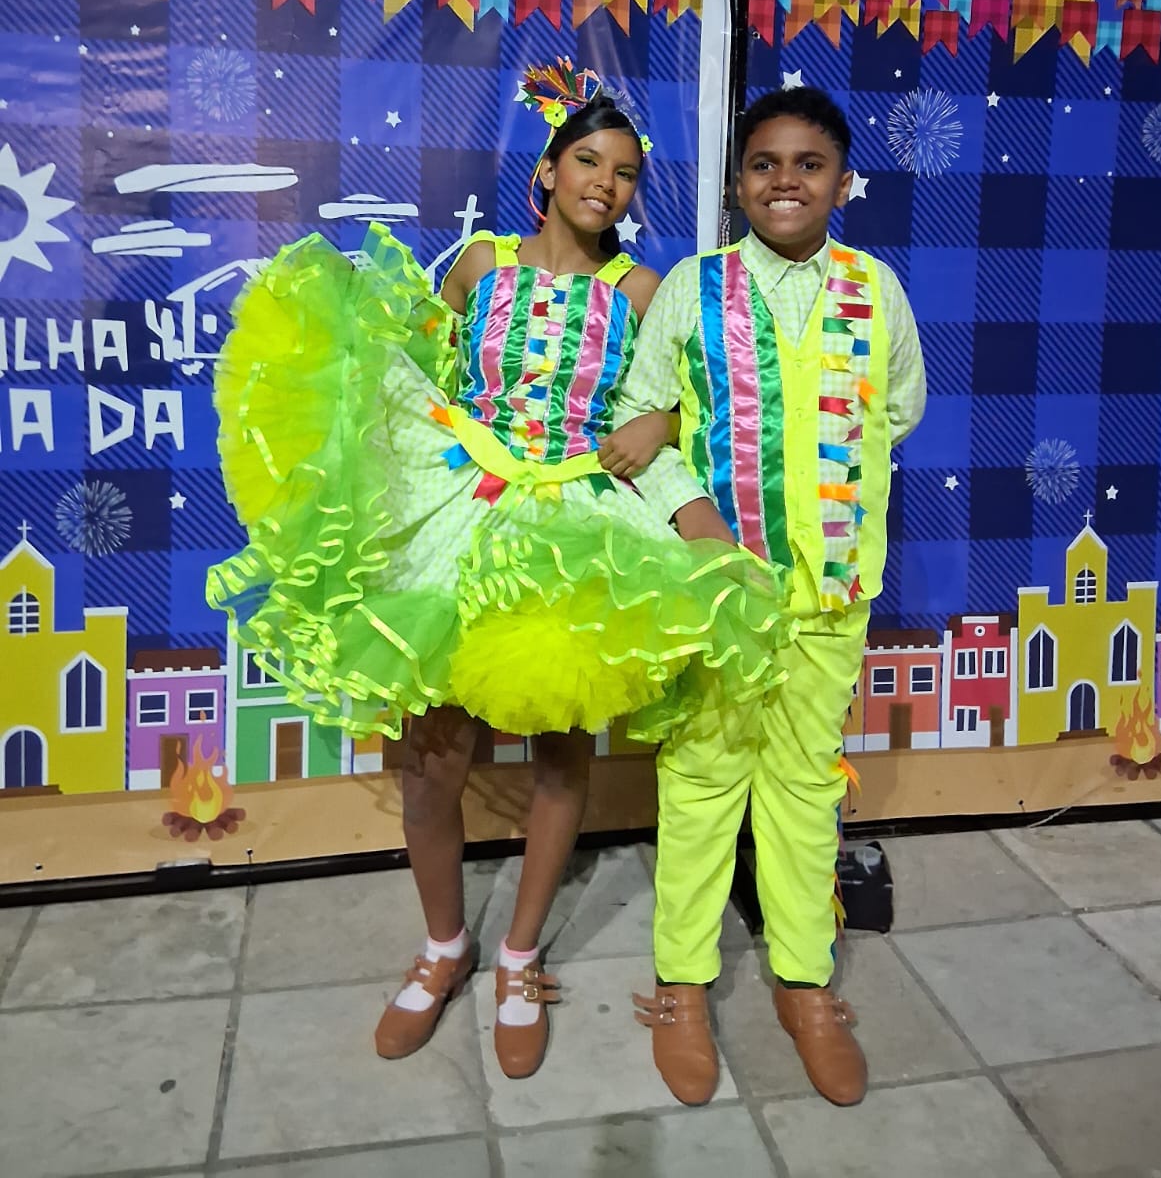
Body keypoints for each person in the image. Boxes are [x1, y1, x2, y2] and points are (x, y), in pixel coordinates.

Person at [207, 61, 791, 1080]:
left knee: (562, 748)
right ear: (549, 171)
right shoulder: (480, 263)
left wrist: (662, 429)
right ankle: (445, 945)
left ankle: (519, 955)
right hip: (458, 509)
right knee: (431, 761)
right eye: (588, 161)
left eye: (624, 172)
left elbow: (672, 409)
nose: (605, 184)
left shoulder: (642, 289)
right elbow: (424, 368)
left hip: (574, 522)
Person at [616, 84, 926, 1109]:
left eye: (808, 164)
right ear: (738, 184)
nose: (785, 180)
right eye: (764, 164)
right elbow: (641, 419)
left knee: (802, 787)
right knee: (701, 781)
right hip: (719, 595)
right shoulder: (693, 288)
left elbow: (899, 409)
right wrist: (697, 514)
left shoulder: (875, 289)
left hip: (831, 594)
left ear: (842, 181)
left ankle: (804, 980)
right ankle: (681, 984)